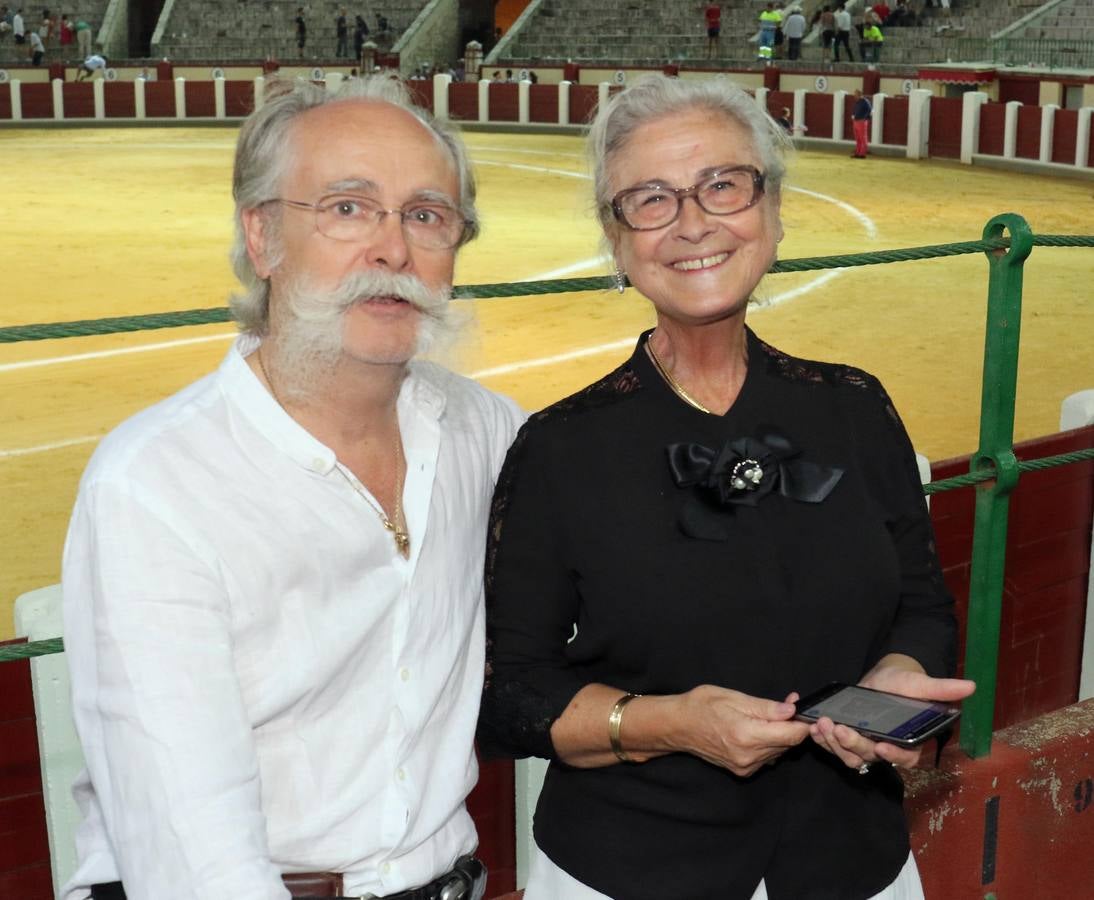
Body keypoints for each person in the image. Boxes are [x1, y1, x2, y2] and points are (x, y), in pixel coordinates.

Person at [478, 74, 974, 900]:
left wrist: (893, 683)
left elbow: (921, 604)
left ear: (772, 209)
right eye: (650, 198)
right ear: (618, 238)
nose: (694, 223)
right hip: (626, 872)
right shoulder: (560, 448)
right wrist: (674, 726)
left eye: (723, 184)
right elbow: (513, 694)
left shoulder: (853, 406)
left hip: (856, 862)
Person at [61, 75, 524, 900]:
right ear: (263, 236)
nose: (392, 249)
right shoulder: (156, 485)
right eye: (348, 207)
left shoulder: (486, 435)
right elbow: (191, 852)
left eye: (425, 214)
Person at [852, 88, 873, 157]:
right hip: (856, 121)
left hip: (862, 121)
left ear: (860, 95)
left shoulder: (865, 101)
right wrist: (853, 115)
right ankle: (857, 153)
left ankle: (862, 153)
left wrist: (865, 118)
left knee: (862, 138)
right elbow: (855, 110)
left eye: (855, 94)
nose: (854, 96)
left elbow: (871, 111)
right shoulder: (857, 102)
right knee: (858, 138)